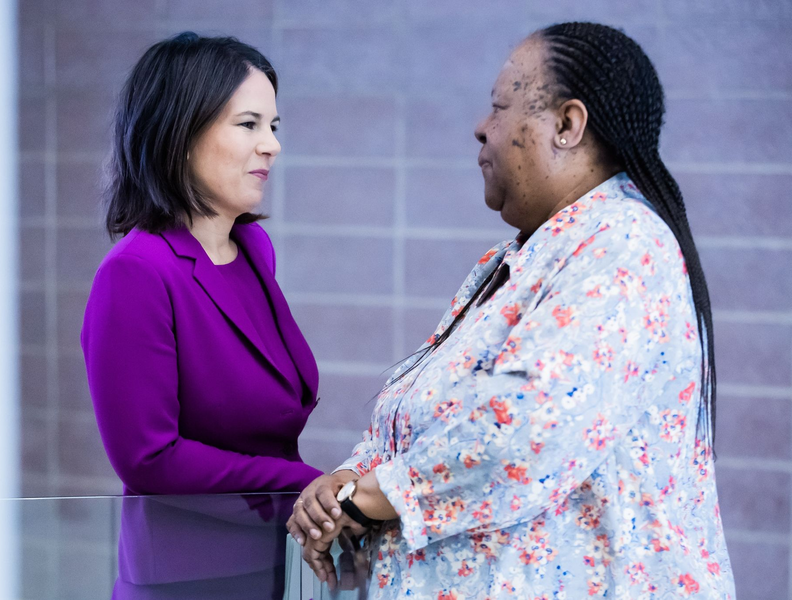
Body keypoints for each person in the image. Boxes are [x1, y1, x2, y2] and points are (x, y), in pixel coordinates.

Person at [287, 22, 736, 598]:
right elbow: (424, 417)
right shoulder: (521, 258)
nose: (481, 127)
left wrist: (368, 498)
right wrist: (349, 478)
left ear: (568, 126)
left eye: (500, 107)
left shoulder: (623, 246)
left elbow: (528, 424)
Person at [81, 33, 322, 500]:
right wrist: (309, 484)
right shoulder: (136, 273)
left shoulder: (253, 249)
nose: (272, 145)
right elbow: (149, 461)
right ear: (181, 134)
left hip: (269, 552)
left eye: (274, 126)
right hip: (186, 566)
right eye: (249, 124)